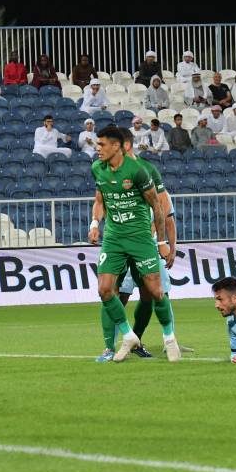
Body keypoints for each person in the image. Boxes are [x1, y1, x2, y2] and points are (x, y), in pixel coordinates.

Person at [88, 126, 175, 362]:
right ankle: (118, 341)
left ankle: (164, 338)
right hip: (114, 239)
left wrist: (163, 241)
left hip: (140, 240)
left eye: (102, 144)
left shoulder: (141, 171)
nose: (97, 149)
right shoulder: (97, 168)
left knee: (153, 293)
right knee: (107, 290)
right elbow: (100, 199)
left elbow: (160, 207)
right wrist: (95, 223)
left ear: (120, 146)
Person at [111, 128, 180, 360]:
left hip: (148, 248)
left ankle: (144, 340)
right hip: (124, 244)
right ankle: (111, 345)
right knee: (118, 295)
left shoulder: (152, 181)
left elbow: (167, 217)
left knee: (154, 294)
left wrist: (170, 245)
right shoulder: (115, 180)